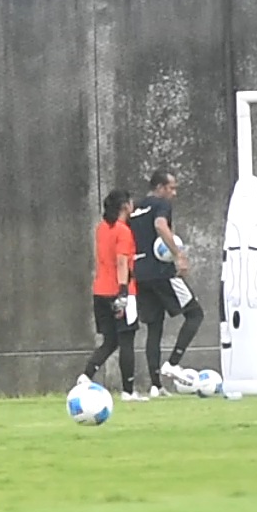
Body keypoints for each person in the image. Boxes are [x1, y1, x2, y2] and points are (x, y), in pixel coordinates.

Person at [128, 170, 203, 396]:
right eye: (171, 188)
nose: (174, 193)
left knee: (155, 327)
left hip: (141, 273)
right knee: (195, 314)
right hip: (162, 273)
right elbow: (160, 226)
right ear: (159, 188)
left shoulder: (135, 208)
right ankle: (173, 362)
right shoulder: (161, 205)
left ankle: (156, 386)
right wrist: (178, 254)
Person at [78, 189, 141, 398]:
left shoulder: (101, 228)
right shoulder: (123, 231)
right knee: (127, 340)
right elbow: (122, 261)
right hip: (120, 290)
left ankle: (86, 375)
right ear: (125, 206)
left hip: (100, 291)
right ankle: (128, 391)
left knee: (110, 340)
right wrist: (123, 292)